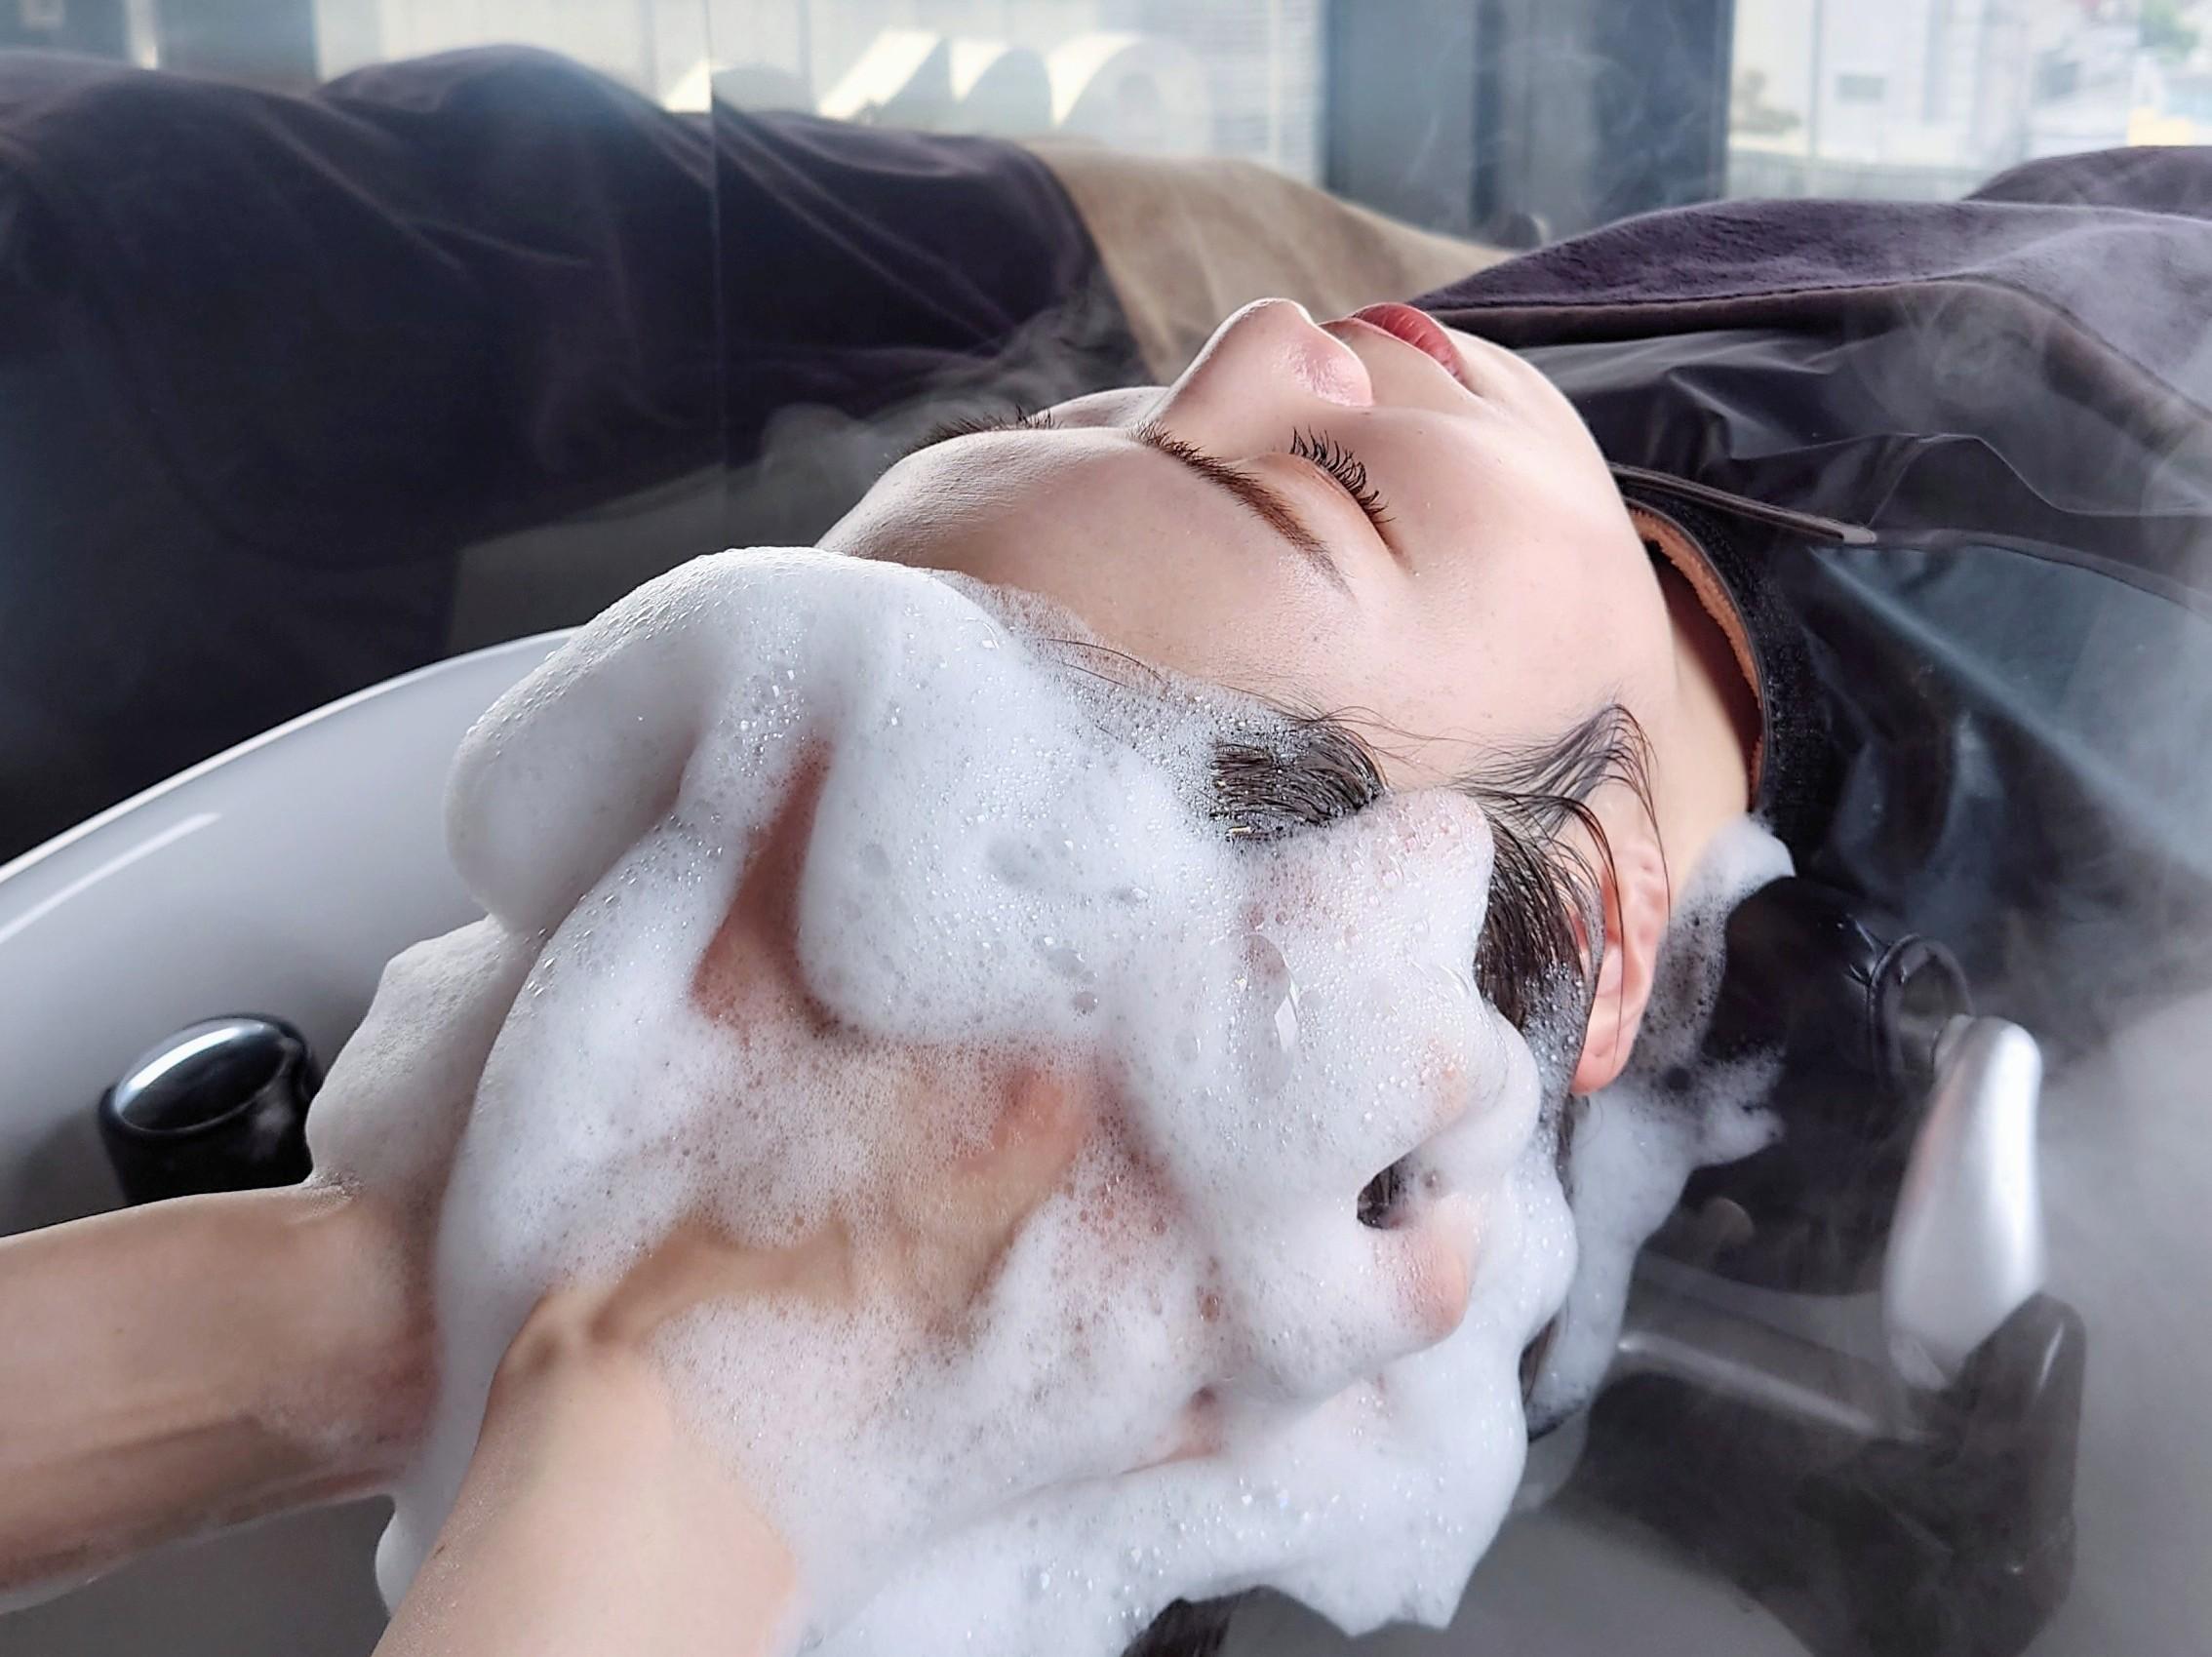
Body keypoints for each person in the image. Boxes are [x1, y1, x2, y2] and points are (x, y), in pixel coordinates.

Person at [5, 41, 2212, 1657]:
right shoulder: (2079, 718)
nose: (1250, 350)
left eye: (1094, 417)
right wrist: (604, 1380)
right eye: (1320, 494)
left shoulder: (1414, 450)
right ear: (1619, 918)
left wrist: (398, 1287)